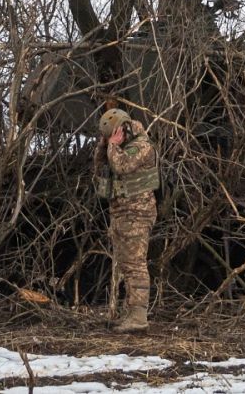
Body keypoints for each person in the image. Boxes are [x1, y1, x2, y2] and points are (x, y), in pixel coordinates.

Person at [93, 107, 158, 332]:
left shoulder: (142, 146)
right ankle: (131, 314)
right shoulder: (119, 146)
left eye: (114, 133)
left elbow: (121, 166)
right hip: (122, 212)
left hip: (137, 213)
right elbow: (99, 167)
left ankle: (139, 317)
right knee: (126, 264)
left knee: (135, 264)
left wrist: (112, 145)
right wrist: (105, 145)